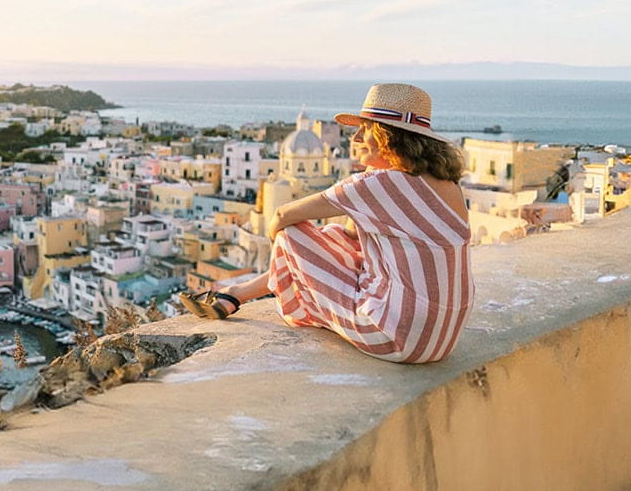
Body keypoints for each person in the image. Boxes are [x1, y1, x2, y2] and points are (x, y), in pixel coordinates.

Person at [180, 83, 474, 364]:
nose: (355, 138)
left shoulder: (380, 183)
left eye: (365, 129)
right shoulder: (449, 185)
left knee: (291, 233)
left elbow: (283, 217)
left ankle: (237, 296)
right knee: (336, 235)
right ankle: (237, 294)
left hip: (396, 337)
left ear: (390, 137)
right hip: (442, 339)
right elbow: (349, 237)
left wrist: (284, 250)